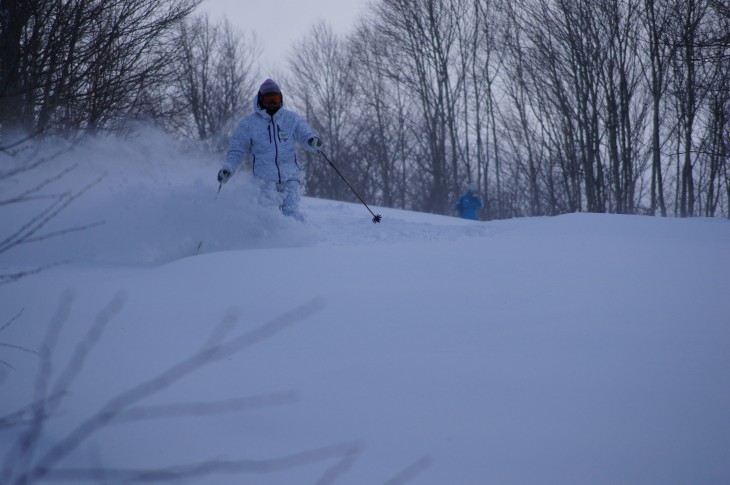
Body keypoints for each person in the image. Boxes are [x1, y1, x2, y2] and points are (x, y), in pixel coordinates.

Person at [217, 79, 322, 221]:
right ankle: (269, 241)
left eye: (276, 99)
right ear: (261, 100)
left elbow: (305, 135)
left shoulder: (291, 119)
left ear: (281, 99)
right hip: (265, 180)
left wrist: (312, 140)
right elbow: (236, 150)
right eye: (268, 99)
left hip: (290, 176)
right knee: (270, 217)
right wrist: (228, 168)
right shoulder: (249, 124)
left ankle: (296, 240)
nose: (273, 103)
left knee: (290, 213)